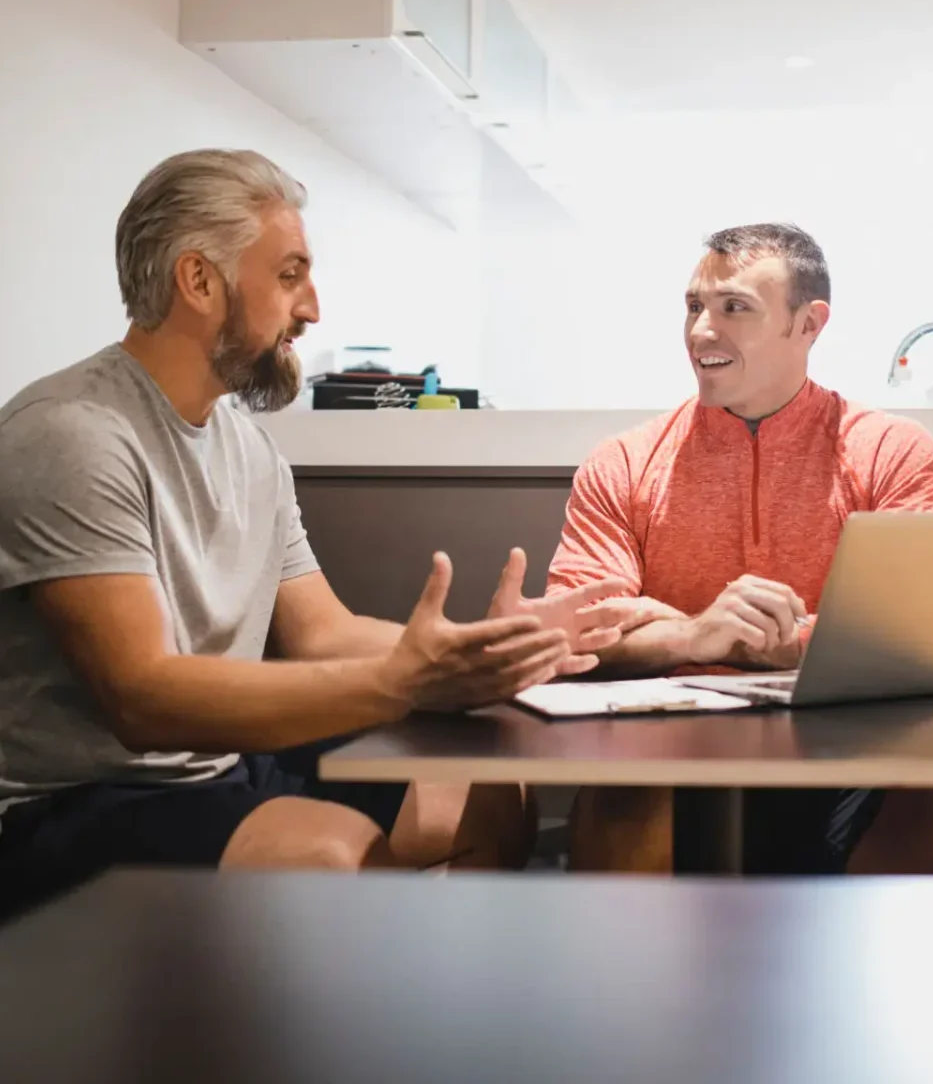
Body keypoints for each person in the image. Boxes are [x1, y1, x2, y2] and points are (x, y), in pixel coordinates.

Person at [0, 148, 630, 918]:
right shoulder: (72, 434)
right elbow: (143, 695)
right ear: (199, 281)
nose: (314, 308)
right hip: (68, 805)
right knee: (338, 854)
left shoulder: (250, 450)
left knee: (486, 798)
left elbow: (322, 633)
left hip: (210, 769)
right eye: (290, 274)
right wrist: (403, 682)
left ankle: (434, 1020)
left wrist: (476, 649)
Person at [537, 222, 933, 875]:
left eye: (734, 307)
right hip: (671, 758)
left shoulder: (891, 451)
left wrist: (785, 641)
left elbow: (915, 636)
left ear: (809, 324)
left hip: (854, 756)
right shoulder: (621, 463)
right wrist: (695, 637)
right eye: (694, 306)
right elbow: (573, 632)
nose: (701, 331)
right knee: (628, 811)